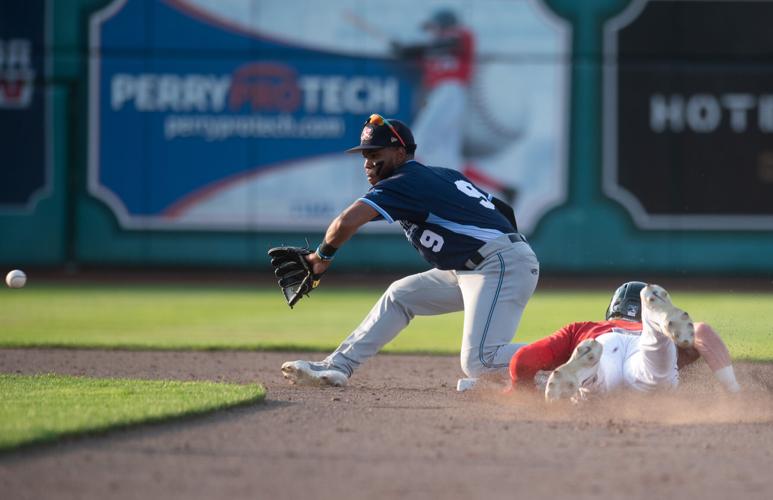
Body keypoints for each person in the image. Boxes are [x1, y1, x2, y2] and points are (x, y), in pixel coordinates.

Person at [281, 113, 540, 387]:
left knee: (480, 361)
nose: (368, 163)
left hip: (497, 264)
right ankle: (336, 367)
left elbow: (345, 222)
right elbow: (504, 210)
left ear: (400, 152)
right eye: (365, 155)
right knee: (400, 295)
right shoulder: (438, 175)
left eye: (375, 153)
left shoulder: (403, 182)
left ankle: (580, 358)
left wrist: (320, 258)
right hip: (480, 265)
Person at [508, 281, 741, 402]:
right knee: (656, 351)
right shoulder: (675, 334)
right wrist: (733, 394)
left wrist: (523, 391)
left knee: (596, 380)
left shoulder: (582, 328)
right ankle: (654, 319)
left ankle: (586, 372)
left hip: (603, 343)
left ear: (611, 310)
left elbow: (524, 360)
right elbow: (703, 332)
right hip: (643, 347)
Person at [391, 8, 518, 203]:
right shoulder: (432, 53)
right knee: (449, 163)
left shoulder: (461, 35)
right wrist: (402, 52)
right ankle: (502, 190)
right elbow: (422, 60)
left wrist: (412, 49)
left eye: (434, 27)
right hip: (441, 96)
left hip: (451, 91)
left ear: (444, 25)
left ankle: (401, 187)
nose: (431, 32)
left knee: (415, 142)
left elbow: (446, 45)